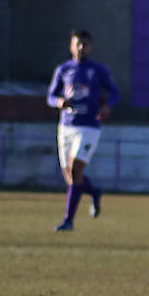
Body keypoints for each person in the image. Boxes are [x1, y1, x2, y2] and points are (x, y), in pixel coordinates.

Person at [46, 29, 120, 232]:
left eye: (85, 44)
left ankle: (68, 220)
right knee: (69, 175)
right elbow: (50, 96)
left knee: (76, 168)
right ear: (71, 46)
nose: (81, 48)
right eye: (77, 44)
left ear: (90, 47)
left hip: (89, 126)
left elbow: (115, 93)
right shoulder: (63, 69)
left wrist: (107, 106)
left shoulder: (98, 70)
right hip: (66, 126)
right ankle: (94, 192)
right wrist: (59, 101)